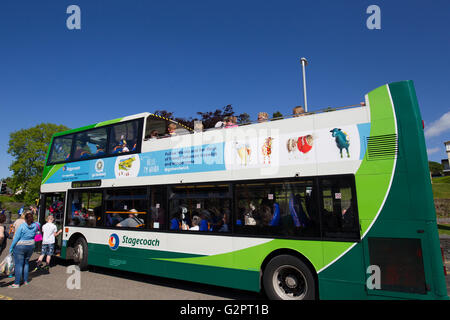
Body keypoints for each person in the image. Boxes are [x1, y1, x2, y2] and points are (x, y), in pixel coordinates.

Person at [9, 211, 39, 288]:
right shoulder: (36, 225)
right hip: (31, 245)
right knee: (26, 263)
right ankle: (25, 280)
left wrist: (11, 247)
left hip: (20, 246)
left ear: (25, 219)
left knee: (19, 264)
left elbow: (16, 238)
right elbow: (38, 224)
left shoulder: (22, 226)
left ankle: (17, 283)